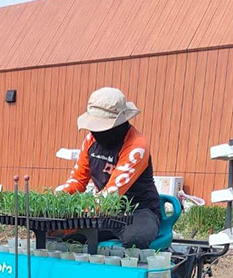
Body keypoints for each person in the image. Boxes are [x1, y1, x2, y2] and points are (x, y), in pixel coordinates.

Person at [56, 87, 161, 249]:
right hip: (105, 213)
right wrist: (56, 201)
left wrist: (79, 212)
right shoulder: (90, 140)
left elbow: (111, 195)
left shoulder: (136, 146)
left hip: (139, 210)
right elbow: (77, 180)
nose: (95, 132)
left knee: (136, 238)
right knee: (70, 239)